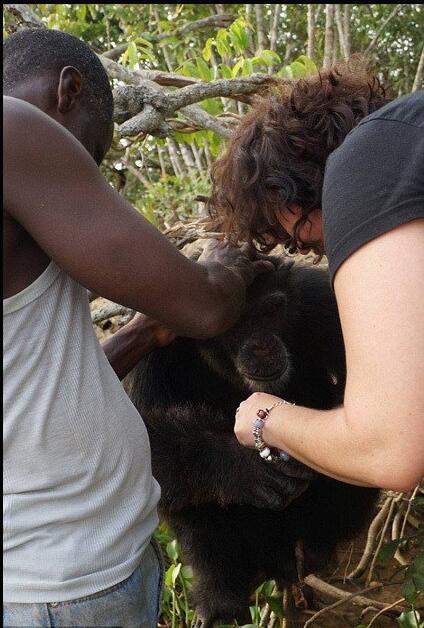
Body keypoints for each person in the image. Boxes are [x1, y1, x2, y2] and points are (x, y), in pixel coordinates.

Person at [3, 28, 282, 627]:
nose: (87, 173)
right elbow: (206, 308)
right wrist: (224, 269)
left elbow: (28, 394)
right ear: (68, 91)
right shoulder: (12, 130)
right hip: (67, 588)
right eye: (93, 153)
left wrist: (141, 334)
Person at [209, 64, 424, 492]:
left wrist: (264, 419)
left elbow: (390, 451)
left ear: (280, 189)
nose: (298, 245)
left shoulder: (364, 162)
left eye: (285, 232)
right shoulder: (408, 134)